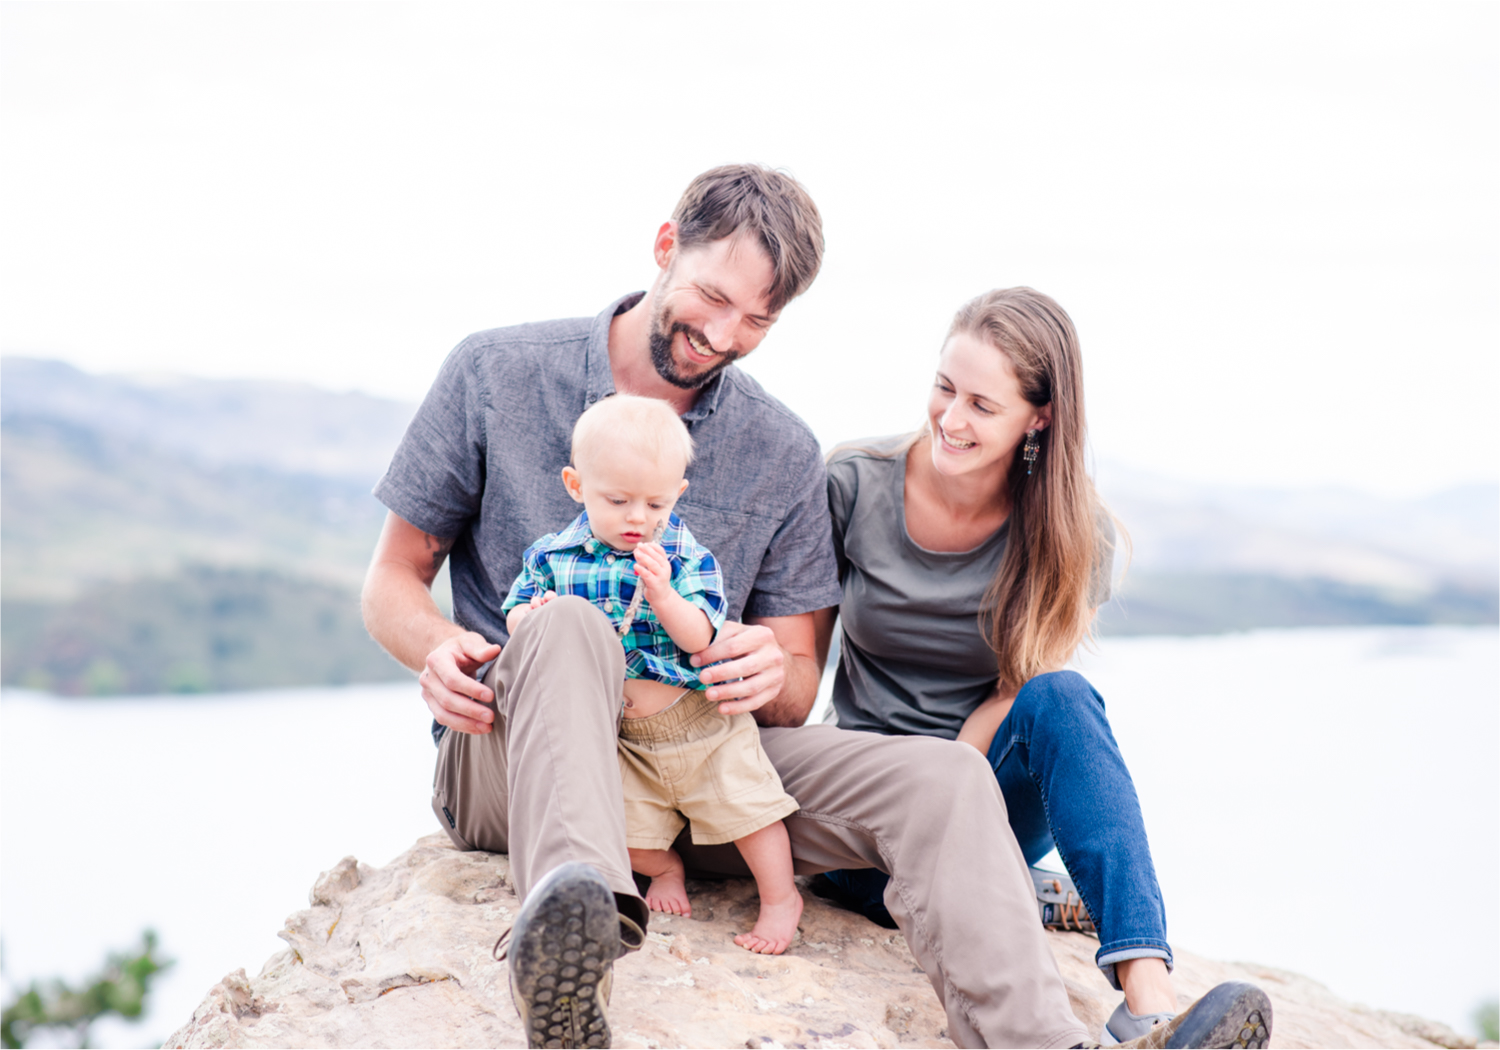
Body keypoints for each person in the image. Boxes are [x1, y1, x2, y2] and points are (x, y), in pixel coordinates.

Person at [362, 163, 1268, 1050]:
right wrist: (441, 647)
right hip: (515, 761)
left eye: (757, 319)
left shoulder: (784, 451)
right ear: (665, 246)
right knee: (567, 622)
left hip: (695, 769)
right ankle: (572, 941)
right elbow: (392, 583)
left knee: (944, 779)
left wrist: (764, 664)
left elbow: (796, 692)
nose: (724, 334)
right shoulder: (493, 372)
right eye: (714, 298)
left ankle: (1041, 1041)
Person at [812, 287, 1272, 1047]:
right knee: (926, 842)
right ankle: (1027, 892)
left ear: (1040, 415)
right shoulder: (852, 482)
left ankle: (1148, 1000)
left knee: (1062, 697)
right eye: (944, 388)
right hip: (861, 825)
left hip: (978, 804)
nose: (951, 419)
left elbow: (1018, 692)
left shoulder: (1071, 530)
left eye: (982, 406)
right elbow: (799, 660)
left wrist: (948, 803)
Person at [500, 394, 803, 954]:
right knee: (622, 828)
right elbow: (514, 609)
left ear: (677, 495)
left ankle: (781, 897)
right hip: (623, 736)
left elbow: (702, 637)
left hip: (697, 723)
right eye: (617, 500)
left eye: (655, 503)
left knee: (749, 811)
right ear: (575, 485)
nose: (638, 518)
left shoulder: (686, 557)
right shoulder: (552, 556)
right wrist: (530, 620)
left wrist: (663, 595)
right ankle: (663, 872)